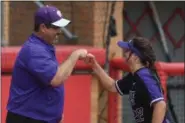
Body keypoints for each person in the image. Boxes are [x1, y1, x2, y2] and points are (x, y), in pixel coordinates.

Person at [6, 5, 88, 123]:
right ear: (43, 27)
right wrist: (75, 55)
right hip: (27, 118)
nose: (59, 32)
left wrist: (56, 114)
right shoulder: (34, 50)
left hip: (39, 118)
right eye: (55, 28)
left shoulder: (44, 46)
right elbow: (55, 79)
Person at [84, 37, 170, 123]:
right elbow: (112, 86)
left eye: (128, 50)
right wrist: (95, 65)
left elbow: (160, 104)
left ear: (135, 57)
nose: (124, 53)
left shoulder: (145, 77)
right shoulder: (134, 76)